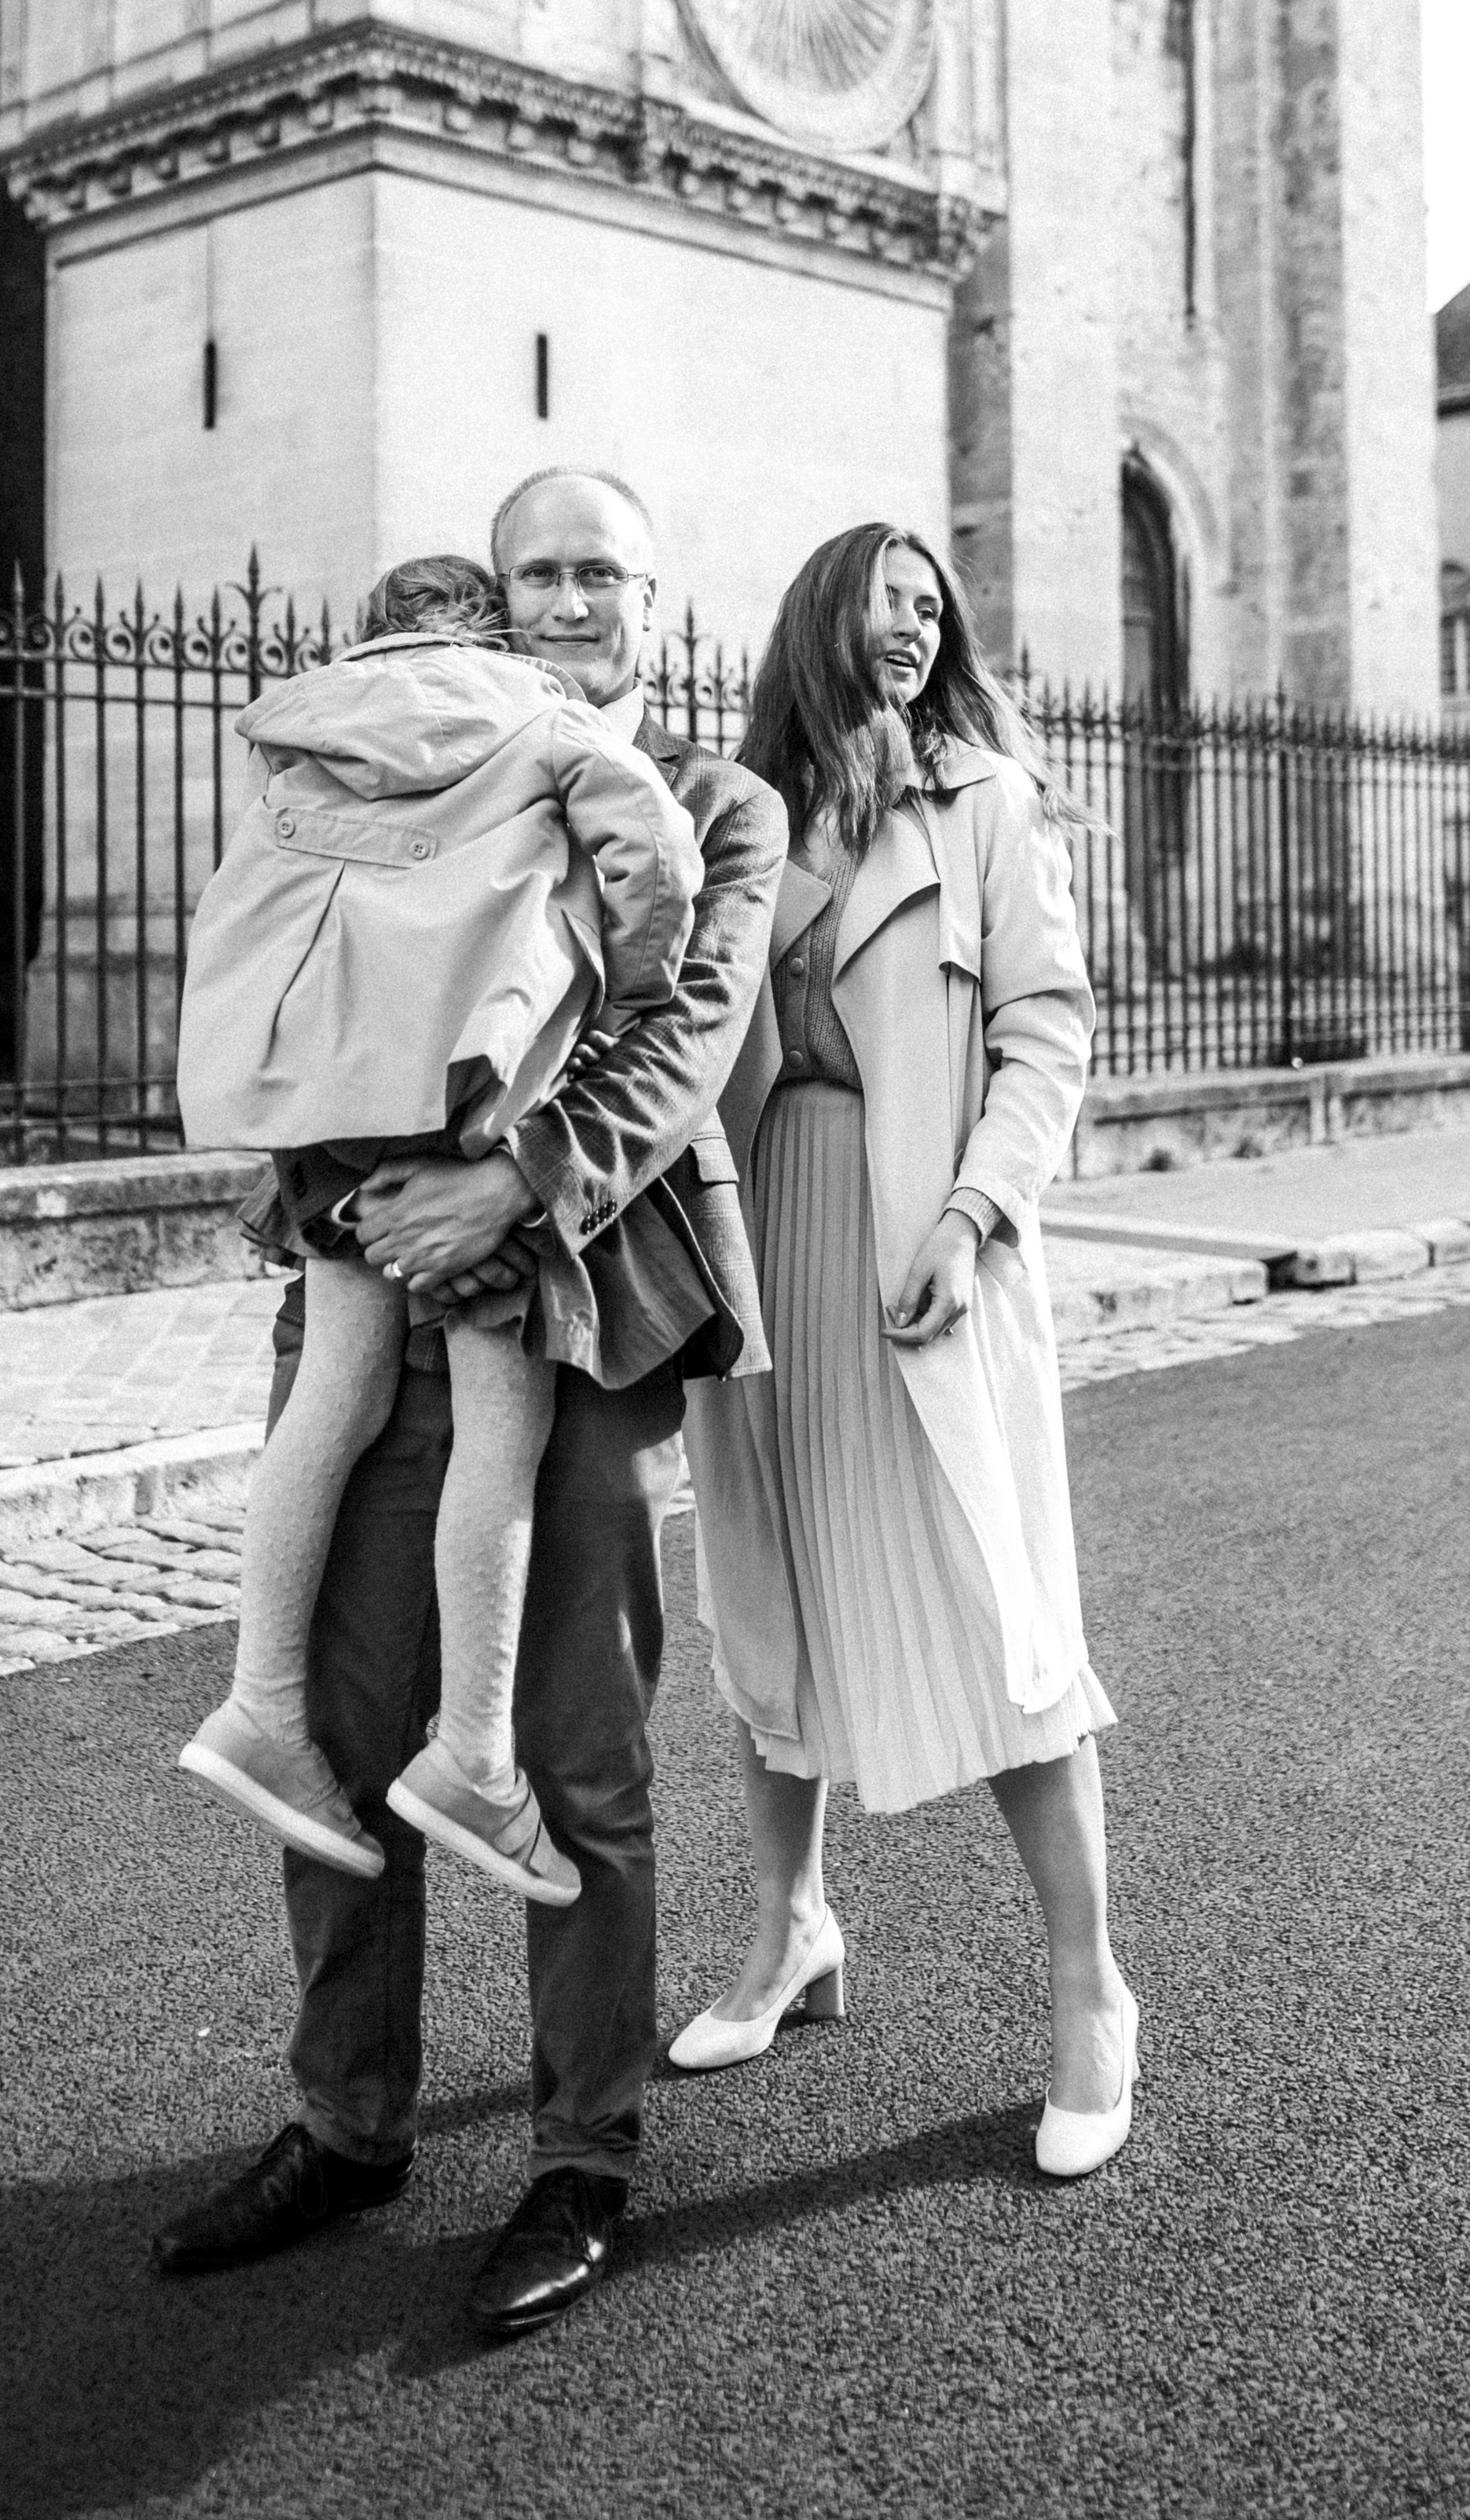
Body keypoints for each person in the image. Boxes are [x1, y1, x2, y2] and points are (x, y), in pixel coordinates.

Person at [152, 471, 788, 2336]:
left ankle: (583, 2152)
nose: (575, 595)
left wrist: (508, 1181)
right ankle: (348, 2120)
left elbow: (691, 1026)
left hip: (576, 1300)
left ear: (660, 601)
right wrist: (349, 1185)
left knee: (571, 1747)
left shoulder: (715, 794)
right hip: (365, 1284)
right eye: (543, 570)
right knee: (337, 1729)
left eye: (607, 570)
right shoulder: (416, 744)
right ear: (493, 595)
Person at [680, 522, 1138, 2180]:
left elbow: (1046, 1027)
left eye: (929, 606)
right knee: (769, 1590)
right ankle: (790, 1924)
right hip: (761, 1237)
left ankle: (1089, 1987)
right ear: (819, 619)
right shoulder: (733, 818)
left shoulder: (986, 806)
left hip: (918, 1238)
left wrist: (971, 1213)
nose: (911, 624)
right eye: (885, 600)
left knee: (991, 1603)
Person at [173, 552, 702, 1906]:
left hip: (327, 1100)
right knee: (500, 1433)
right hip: (466, 1089)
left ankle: (261, 1706)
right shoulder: (542, 715)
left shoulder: (306, 718)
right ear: (486, 623)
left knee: (329, 1398)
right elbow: (652, 853)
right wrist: (630, 979)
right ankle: (471, 1754)